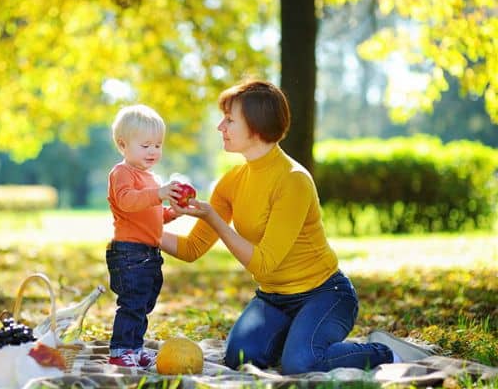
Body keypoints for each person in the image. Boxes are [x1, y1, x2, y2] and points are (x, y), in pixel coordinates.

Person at [161, 80, 430, 374]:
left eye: (229, 120)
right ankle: (299, 337)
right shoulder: (232, 181)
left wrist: (213, 218)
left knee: (301, 364)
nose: (220, 127)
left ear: (256, 126)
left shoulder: (293, 180)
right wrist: (143, 229)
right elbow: (191, 249)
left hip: (325, 294)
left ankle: (385, 351)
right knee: (239, 358)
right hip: (273, 299)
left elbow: (264, 265)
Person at [106, 104, 181, 368]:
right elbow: (127, 202)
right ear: (123, 144)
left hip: (150, 252)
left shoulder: (150, 178)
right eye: (146, 145)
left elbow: (153, 213)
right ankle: (121, 349)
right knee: (133, 302)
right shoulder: (122, 173)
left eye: (158, 145)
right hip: (129, 252)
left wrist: (173, 212)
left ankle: (134, 348)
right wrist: (159, 194)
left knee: (145, 302)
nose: (153, 151)